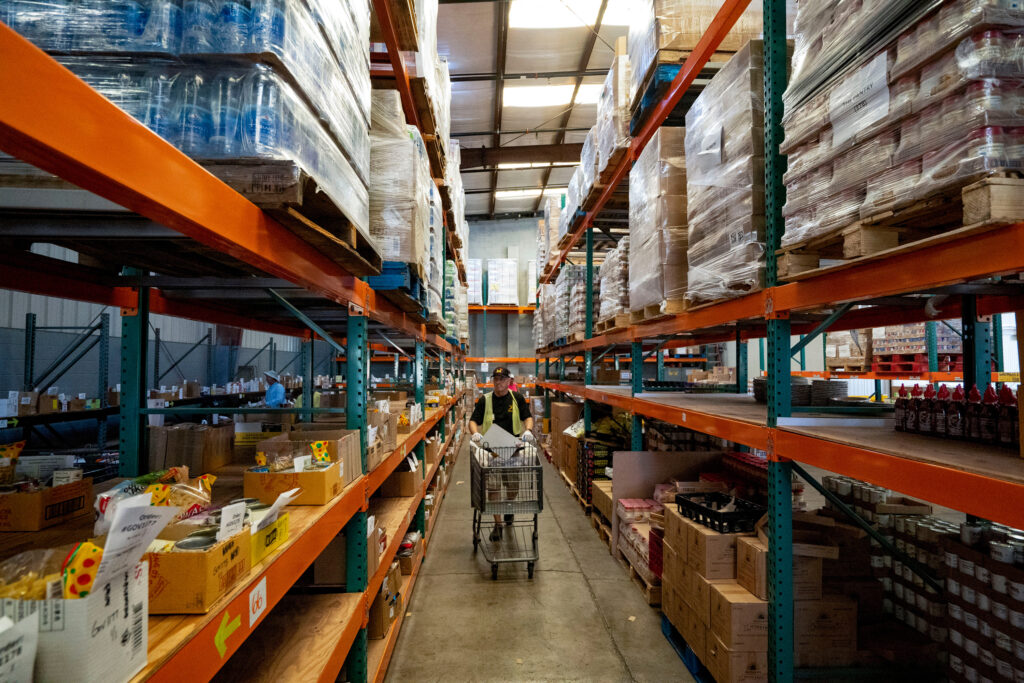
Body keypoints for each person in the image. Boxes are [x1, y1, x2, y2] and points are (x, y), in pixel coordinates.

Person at [468, 367, 535, 541]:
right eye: (496, 379)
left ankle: (509, 509)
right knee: (494, 487)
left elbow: (528, 417)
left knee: (513, 487)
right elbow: (473, 421)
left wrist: (528, 430)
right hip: (493, 452)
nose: (499, 382)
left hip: (513, 450)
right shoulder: (485, 400)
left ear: (509, 381)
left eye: (502, 379)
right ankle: (498, 525)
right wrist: (475, 433)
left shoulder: (517, 398)